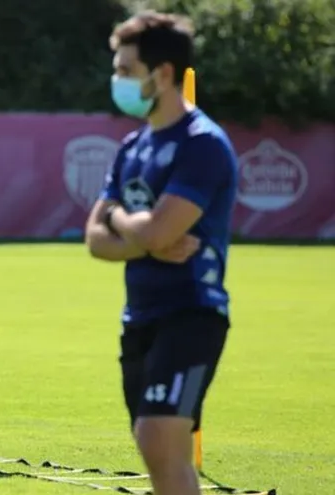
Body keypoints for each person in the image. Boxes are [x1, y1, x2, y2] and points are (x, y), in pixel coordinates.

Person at [84, 11, 238, 495]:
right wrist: (137, 231)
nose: (118, 81)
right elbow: (95, 239)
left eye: (126, 70)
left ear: (163, 73)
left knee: (158, 438)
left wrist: (120, 221)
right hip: (140, 318)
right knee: (159, 454)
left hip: (191, 316)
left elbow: (150, 231)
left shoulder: (202, 145)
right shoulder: (133, 146)